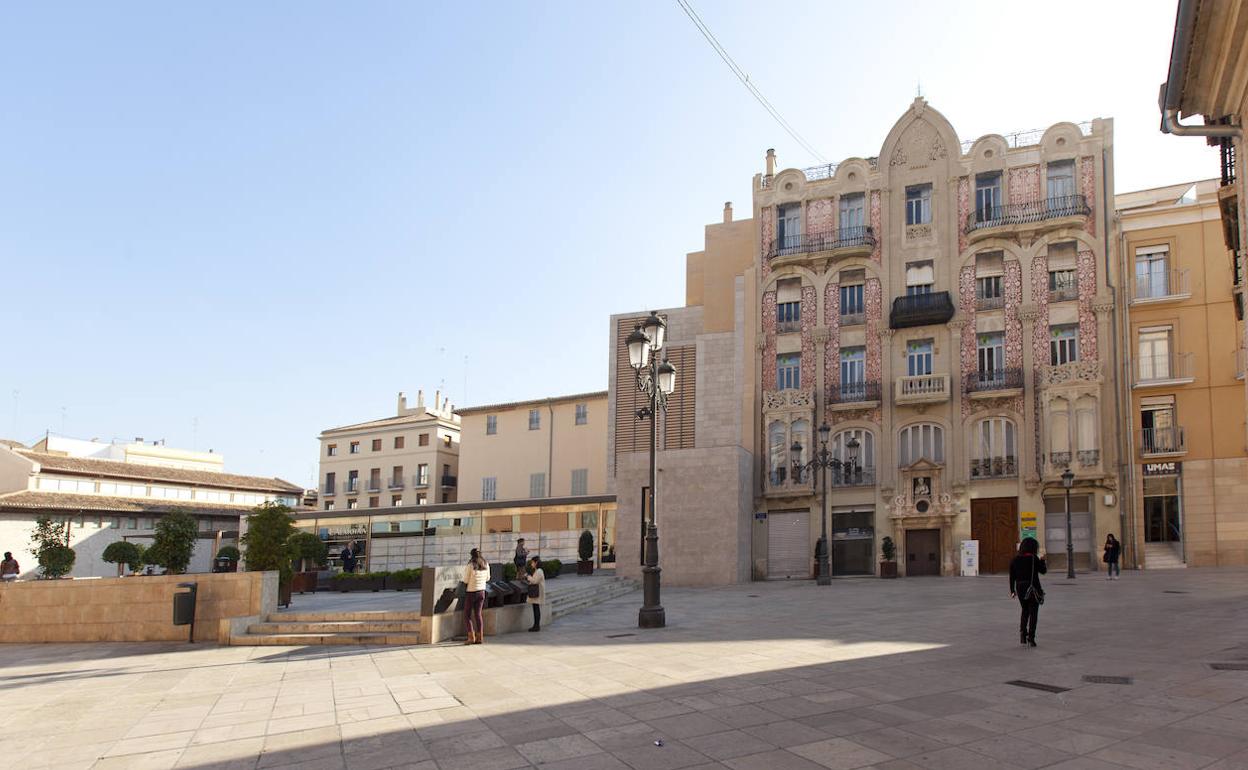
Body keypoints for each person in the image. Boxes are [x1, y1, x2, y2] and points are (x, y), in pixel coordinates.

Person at [1009, 537, 1047, 647]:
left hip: (1020, 588)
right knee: (1033, 613)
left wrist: (1012, 591)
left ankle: (1022, 635)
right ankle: (1031, 638)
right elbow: (1043, 571)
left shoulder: (1015, 559)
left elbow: (1012, 577)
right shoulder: (1034, 558)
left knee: (1025, 610)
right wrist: (1042, 560)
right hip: (1032, 588)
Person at [462, 548, 490, 645]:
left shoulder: (471, 565)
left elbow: (465, 580)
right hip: (482, 592)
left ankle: (471, 637)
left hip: (471, 592)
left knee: (467, 615)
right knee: (478, 614)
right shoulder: (485, 564)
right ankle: (480, 637)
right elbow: (488, 578)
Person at [525, 555, 546, 632]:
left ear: (536, 562)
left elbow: (535, 581)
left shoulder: (539, 571)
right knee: (535, 608)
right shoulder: (538, 570)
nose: (531, 564)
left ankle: (536, 626)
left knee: (536, 609)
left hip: (537, 593)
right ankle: (536, 625)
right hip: (536, 592)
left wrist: (528, 576)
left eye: (532, 562)